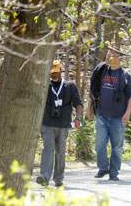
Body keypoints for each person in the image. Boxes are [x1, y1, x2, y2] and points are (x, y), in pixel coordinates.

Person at [87, 48, 131, 181]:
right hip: (102, 115)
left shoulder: (126, 75)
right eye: (109, 55)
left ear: (120, 58)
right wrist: (89, 109)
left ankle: (114, 172)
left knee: (117, 147)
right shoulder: (101, 72)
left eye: (114, 55)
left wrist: (128, 113)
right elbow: (93, 92)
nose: (111, 58)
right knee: (99, 145)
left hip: (118, 118)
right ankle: (103, 167)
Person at [36, 60, 83, 188]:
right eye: (52, 73)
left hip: (63, 124)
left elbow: (78, 103)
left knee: (60, 152)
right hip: (47, 124)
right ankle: (45, 176)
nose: (54, 75)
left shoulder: (70, 86)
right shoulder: (45, 86)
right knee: (48, 149)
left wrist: (77, 118)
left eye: (56, 73)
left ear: (61, 71)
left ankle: (58, 179)